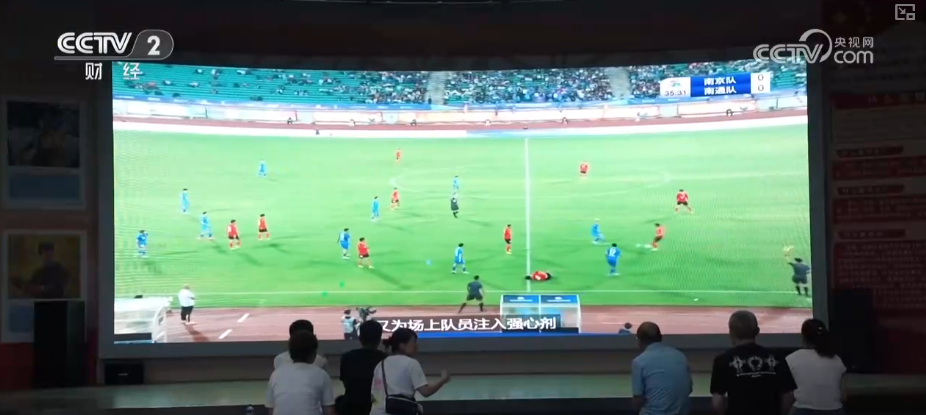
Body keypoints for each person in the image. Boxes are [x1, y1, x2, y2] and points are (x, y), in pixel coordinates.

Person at [710, 310, 797, 415]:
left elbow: (717, 403)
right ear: (757, 331)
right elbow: (789, 395)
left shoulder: (722, 360)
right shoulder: (777, 357)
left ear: (731, 332)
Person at [370, 328, 450, 415]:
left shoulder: (380, 364)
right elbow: (426, 392)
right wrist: (443, 380)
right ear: (402, 345)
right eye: (413, 342)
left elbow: (373, 396)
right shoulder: (411, 363)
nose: (416, 346)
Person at [265, 331, 335, 415]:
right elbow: (328, 410)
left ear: (290, 353)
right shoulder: (321, 374)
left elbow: (270, 408)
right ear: (313, 354)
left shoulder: (276, 374)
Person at [786, 319, 846, 415]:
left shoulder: (791, 358)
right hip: (835, 411)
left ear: (803, 337)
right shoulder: (836, 359)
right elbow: (843, 396)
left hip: (803, 411)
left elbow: (787, 397)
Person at [631, 322, 692, 415]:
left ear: (639, 341)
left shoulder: (639, 362)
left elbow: (637, 401)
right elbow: (689, 389)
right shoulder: (680, 356)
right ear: (661, 337)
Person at [338, 321, 388, 415]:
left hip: (352, 407)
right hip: (378, 407)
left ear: (360, 338)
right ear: (379, 338)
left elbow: (346, 382)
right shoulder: (386, 359)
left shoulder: (347, 357)